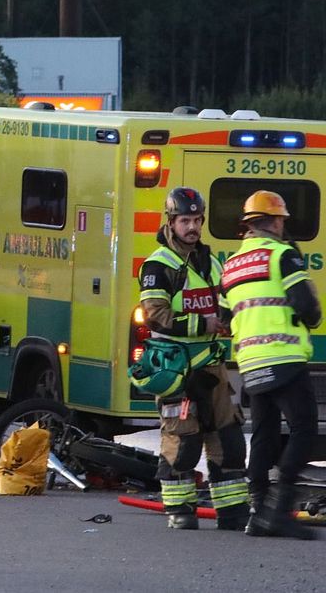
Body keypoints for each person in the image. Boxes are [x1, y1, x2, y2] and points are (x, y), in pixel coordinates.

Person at [138, 187, 248, 530]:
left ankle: (232, 512)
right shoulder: (158, 265)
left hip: (212, 369)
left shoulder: (210, 261)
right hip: (177, 368)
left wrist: (230, 320)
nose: (193, 226)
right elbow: (155, 314)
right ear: (171, 223)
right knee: (182, 444)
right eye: (185, 220)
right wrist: (205, 323)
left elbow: (223, 301)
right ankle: (180, 511)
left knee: (228, 442)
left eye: (197, 220)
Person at [220, 190, 321, 540]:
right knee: (305, 430)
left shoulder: (231, 265)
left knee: (263, 435)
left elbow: (222, 316)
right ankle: (279, 510)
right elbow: (307, 307)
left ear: (248, 224)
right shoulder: (282, 256)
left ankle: (256, 511)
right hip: (285, 358)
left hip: (250, 362)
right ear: (277, 221)